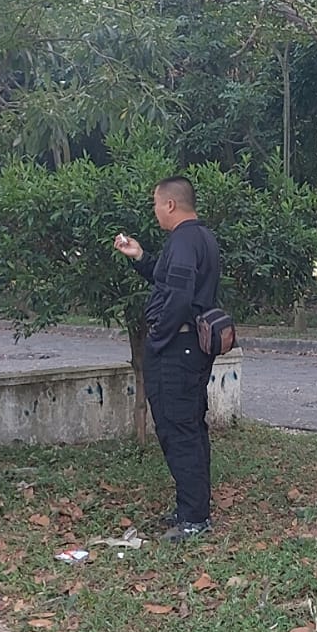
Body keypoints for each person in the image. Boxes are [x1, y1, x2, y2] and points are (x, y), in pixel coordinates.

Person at [113, 176, 222, 543]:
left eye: (156, 204)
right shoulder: (199, 237)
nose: (155, 210)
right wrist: (140, 257)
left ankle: (194, 518)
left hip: (178, 349)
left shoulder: (184, 241)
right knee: (190, 427)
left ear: (171, 205)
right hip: (191, 347)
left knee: (179, 430)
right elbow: (168, 280)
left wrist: (158, 340)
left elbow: (178, 297)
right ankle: (192, 507)